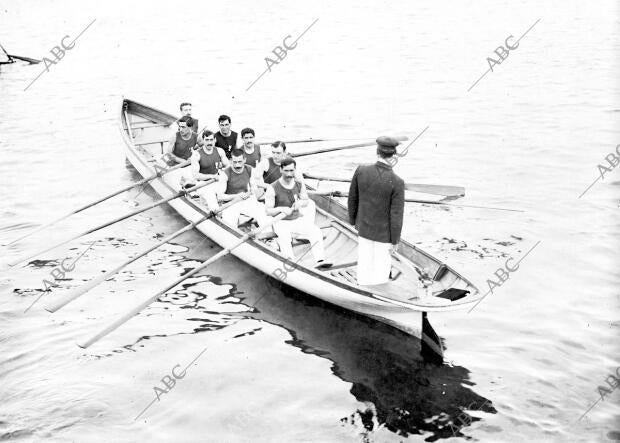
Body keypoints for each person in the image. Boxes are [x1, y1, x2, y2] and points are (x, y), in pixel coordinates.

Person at [347, 136, 405, 286]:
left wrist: (353, 221)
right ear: (394, 155)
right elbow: (396, 214)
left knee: (364, 262)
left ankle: (362, 288)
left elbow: (352, 198)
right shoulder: (398, 182)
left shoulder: (361, 171)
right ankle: (378, 292)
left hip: (364, 228)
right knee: (381, 269)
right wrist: (395, 240)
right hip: (384, 235)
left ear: (377, 152)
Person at [265, 157, 331, 269]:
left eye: (292, 170)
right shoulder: (272, 188)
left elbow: (305, 200)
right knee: (285, 238)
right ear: (281, 170)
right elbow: (268, 211)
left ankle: (320, 260)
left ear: (295, 170)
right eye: (286, 171)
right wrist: (281, 209)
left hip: (296, 220)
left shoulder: (298, 184)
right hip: (281, 222)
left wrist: (300, 203)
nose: (289, 174)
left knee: (315, 231)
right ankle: (290, 262)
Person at [217, 149, 267, 227]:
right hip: (230, 204)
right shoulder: (225, 174)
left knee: (263, 210)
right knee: (229, 223)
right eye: (235, 162)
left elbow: (253, 188)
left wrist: (251, 193)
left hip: (245, 201)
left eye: (240, 162)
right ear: (230, 161)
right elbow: (219, 197)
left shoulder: (250, 170)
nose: (237, 165)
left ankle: (265, 236)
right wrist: (237, 196)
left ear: (244, 160)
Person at [190, 130, 229, 209]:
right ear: (203, 141)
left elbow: (228, 166)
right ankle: (216, 213)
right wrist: (211, 176)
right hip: (203, 184)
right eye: (207, 140)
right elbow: (196, 175)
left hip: (217, 180)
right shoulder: (196, 154)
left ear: (215, 140)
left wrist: (222, 170)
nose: (209, 142)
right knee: (211, 197)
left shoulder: (220, 151)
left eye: (211, 140)